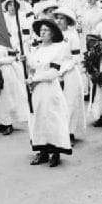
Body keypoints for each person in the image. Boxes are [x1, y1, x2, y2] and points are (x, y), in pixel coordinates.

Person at [26, 18, 71, 167]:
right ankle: (42, 151)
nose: (42, 32)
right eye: (41, 30)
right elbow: (32, 68)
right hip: (37, 90)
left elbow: (53, 73)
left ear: (52, 33)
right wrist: (28, 70)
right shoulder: (36, 49)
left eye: (46, 30)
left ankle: (55, 153)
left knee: (52, 118)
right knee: (38, 118)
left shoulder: (58, 48)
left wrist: (36, 79)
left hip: (50, 89)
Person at [53, 7, 87, 142]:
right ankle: (59, 132)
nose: (59, 21)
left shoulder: (72, 36)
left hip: (70, 72)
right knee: (56, 103)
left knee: (70, 103)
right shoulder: (54, 35)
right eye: (57, 18)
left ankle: (70, 133)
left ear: (68, 21)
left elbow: (76, 58)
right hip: (54, 72)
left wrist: (63, 70)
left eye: (62, 18)